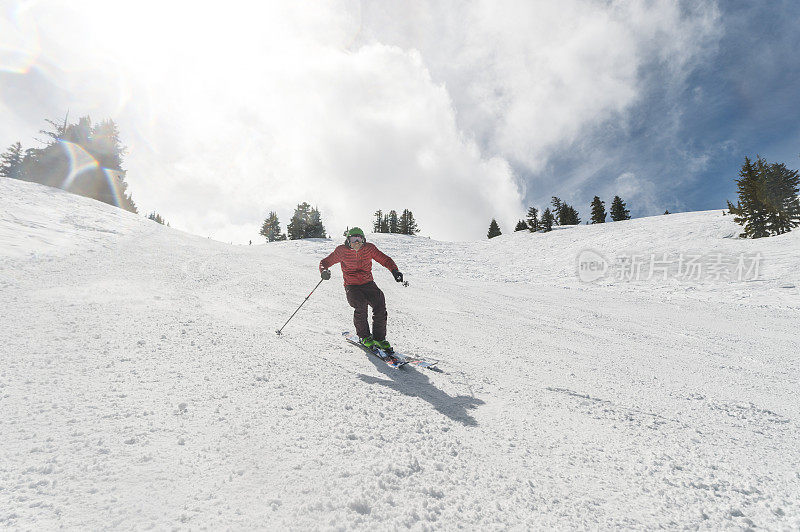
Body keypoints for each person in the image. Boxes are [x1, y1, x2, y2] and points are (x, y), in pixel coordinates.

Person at [319, 227, 404, 351]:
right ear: (348, 240)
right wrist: (324, 271)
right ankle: (364, 337)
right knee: (360, 304)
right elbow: (325, 262)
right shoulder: (341, 251)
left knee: (379, 303)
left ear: (364, 240)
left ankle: (379, 338)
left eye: (359, 239)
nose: (356, 242)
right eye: (353, 239)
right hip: (352, 286)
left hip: (368, 283)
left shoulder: (369, 249)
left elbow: (385, 259)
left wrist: (394, 271)